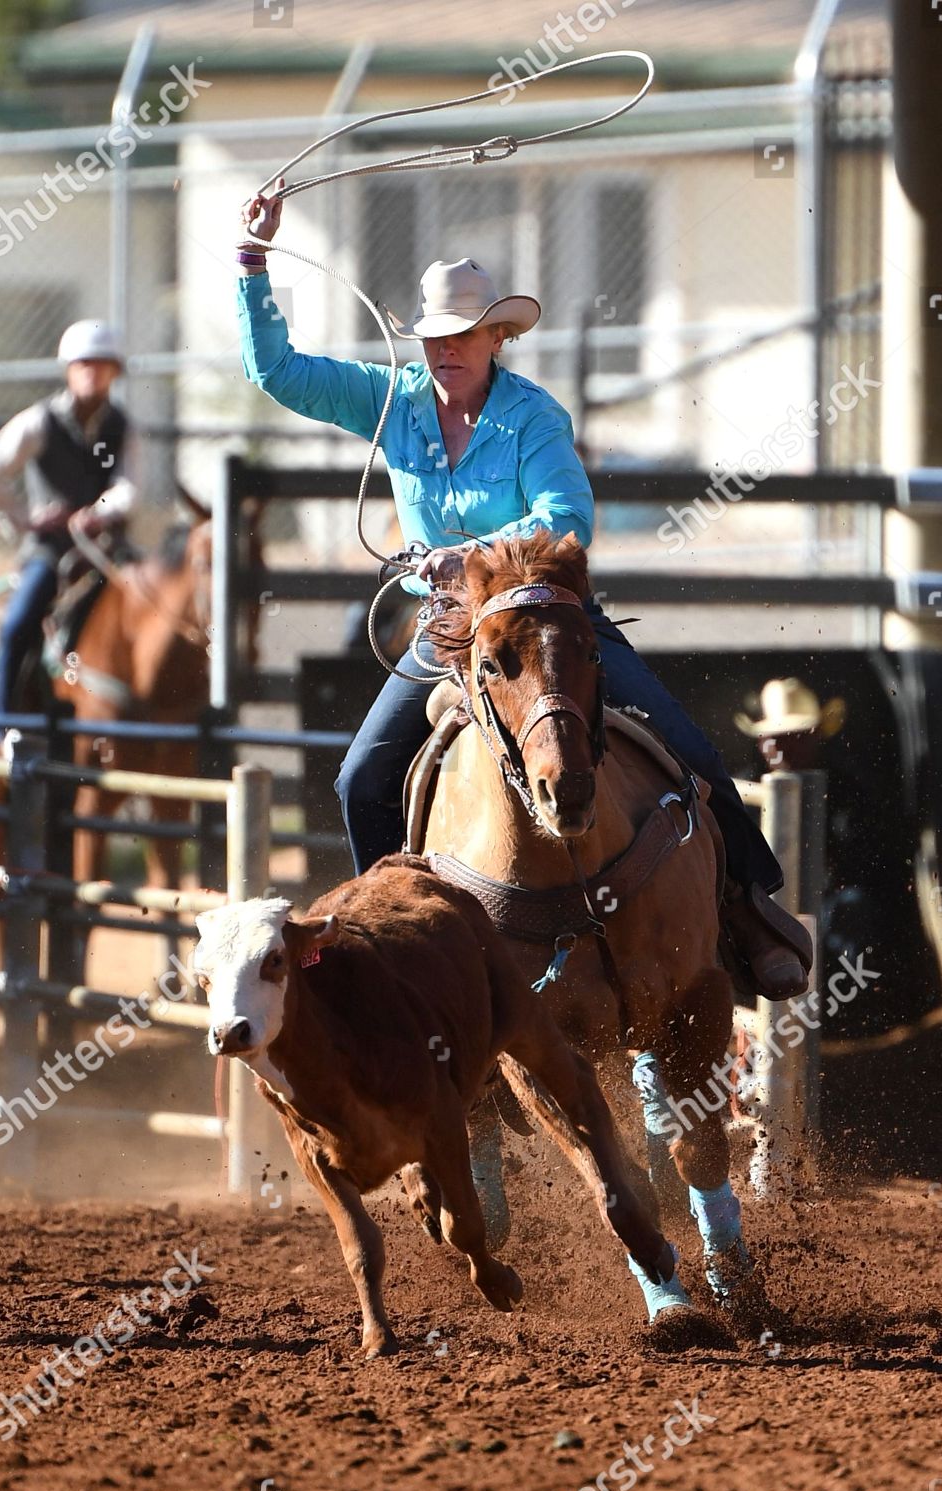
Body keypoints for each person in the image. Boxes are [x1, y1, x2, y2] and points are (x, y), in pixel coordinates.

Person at [235, 184, 810, 1001]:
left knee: (688, 746)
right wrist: (252, 260)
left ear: (495, 335)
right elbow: (276, 371)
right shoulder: (391, 401)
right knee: (361, 777)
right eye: (433, 337)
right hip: (451, 635)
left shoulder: (532, 417)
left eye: (463, 335)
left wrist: (466, 555)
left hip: (542, 624)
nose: (444, 352)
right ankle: (392, 949)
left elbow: (564, 515)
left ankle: (747, 911)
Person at [0, 319, 137, 721]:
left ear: (115, 370)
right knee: (19, 620)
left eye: (101, 363)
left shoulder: (122, 425)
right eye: (84, 364)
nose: (93, 372)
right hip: (52, 550)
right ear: (68, 369)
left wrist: (99, 513)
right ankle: (2, 721)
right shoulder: (39, 421)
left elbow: (130, 486)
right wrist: (27, 519)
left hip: (108, 548)